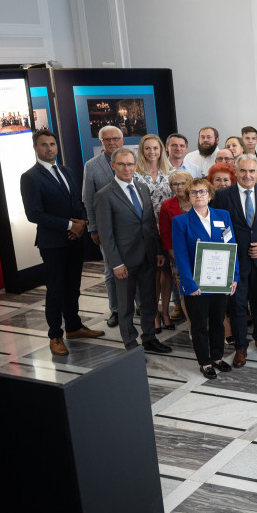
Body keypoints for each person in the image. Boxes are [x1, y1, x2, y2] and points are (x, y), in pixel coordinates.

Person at [20, 129, 103, 356]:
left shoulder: (65, 171)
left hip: (75, 240)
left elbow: (78, 202)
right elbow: (34, 214)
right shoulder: (30, 177)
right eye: (44, 144)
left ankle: (74, 327)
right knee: (55, 290)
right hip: (53, 243)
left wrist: (83, 223)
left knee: (73, 287)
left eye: (52, 144)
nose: (49, 148)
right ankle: (55, 335)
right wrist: (70, 225)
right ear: (36, 148)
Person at [93, 147, 172, 354]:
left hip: (147, 256)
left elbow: (148, 223)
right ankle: (131, 344)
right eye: (121, 164)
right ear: (113, 166)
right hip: (124, 261)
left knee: (149, 301)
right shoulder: (104, 195)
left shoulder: (142, 187)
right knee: (126, 306)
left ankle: (149, 338)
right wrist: (116, 263)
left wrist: (158, 253)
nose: (126, 168)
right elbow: (106, 235)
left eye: (130, 164)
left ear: (136, 166)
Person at [212, 154, 257, 367]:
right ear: (236, 172)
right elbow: (217, 226)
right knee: (238, 305)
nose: (248, 175)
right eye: (243, 171)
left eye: (252, 171)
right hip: (235, 261)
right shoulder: (224, 195)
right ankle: (241, 347)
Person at [171, 178, 239, 378]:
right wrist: (189, 283)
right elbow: (180, 255)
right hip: (196, 285)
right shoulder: (180, 221)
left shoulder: (223, 216)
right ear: (188, 197)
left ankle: (217, 357)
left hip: (220, 281)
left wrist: (233, 277)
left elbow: (231, 246)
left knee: (219, 321)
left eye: (202, 192)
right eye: (194, 192)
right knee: (200, 324)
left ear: (210, 195)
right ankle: (204, 362)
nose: (199, 195)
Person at [82, 125, 125, 327]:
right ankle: (115, 310)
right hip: (106, 228)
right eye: (107, 140)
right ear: (101, 143)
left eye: (115, 138)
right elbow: (88, 198)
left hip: (131, 227)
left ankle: (139, 305)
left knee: (134, 267)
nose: (112, 142)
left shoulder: (132, 160)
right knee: (111, 270)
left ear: (122, 140)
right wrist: (93, 228)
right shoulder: (92, 166)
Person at [134, 134, 174, 330]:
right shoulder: (135, 174)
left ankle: (165, 311)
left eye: (155, 148)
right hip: (146, 231)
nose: (152, 152)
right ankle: (154, 314)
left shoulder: (170, 172)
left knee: (166, 273)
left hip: (168, 228)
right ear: (142, 150)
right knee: (151, 274)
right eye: (148, 148)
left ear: (161, 150)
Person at [158, 170, 193, 328]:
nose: (178, 187)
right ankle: (192, 325)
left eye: (182, 183)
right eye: (174, 184)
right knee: (185, 292)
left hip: (201, 254)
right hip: (178, 257)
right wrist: (175, 257)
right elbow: (165, 234)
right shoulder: (167, 206)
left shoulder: (199, 199)